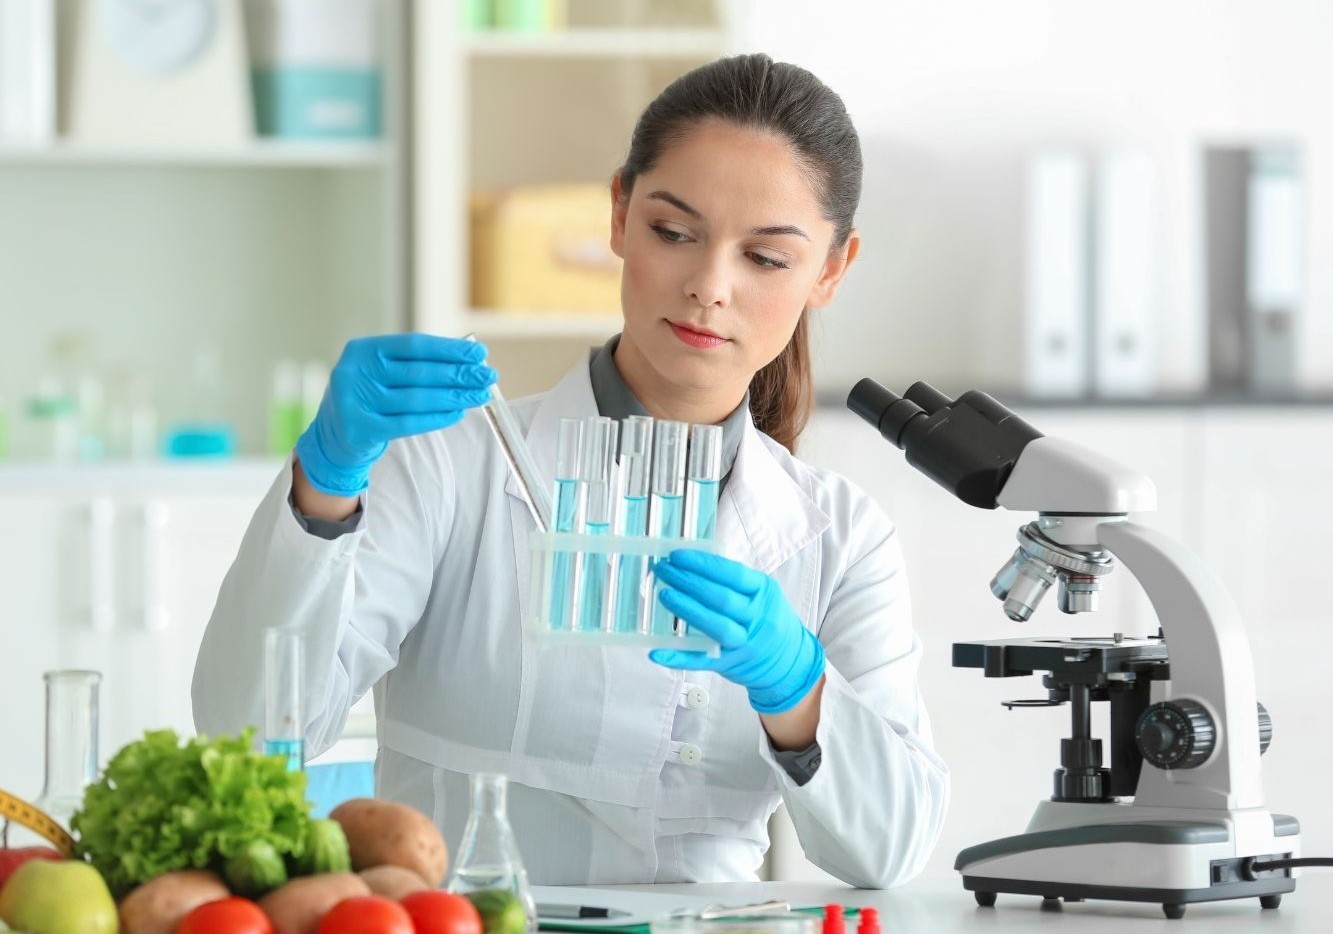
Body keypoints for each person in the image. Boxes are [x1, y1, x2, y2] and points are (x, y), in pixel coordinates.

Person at [194, 53, 947, 888]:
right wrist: (324, 487)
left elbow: (891, 851)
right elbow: (250, 734)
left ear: (830, 271)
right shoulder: (452, 469)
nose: (707, 286)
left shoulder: (837, 534)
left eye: (765, 258)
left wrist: (798, 690)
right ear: (619, 214)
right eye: (673, 232)